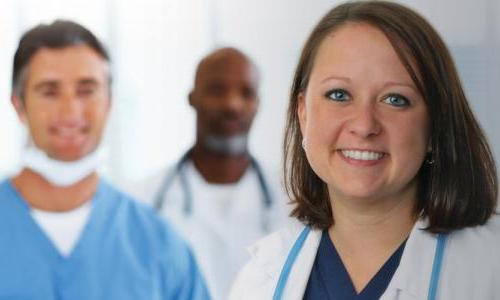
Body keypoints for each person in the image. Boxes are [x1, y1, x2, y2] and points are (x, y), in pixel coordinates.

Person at [230, 1, 499, 299]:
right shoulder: (258, 282)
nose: (364, 125)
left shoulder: (489, 269)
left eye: (395, 99)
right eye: (339, 95)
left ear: (436, 125)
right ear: (303, 113)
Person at [0, 20, 210, 299]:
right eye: (49, 91)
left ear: (109, 101)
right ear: (18, 104)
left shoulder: (159, 248)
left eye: (86, 90)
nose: (70, 111)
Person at [130, 47, 289, 300]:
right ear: (192, 98)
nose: (232, 104)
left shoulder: (293, 204)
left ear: (257, 104)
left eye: (246, 93)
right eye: (217, 90)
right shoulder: (142, 202)